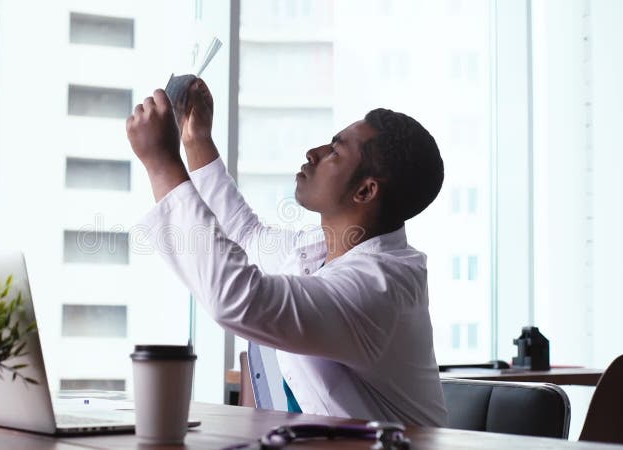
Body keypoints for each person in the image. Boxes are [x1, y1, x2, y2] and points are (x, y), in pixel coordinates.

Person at [125, 78, 448, 426]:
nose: (315, 153)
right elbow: (246, 235)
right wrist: (196, 139)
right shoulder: (321, 252)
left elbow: (240, 301)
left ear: (366, 191)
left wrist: (162, 165)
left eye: (336, 152)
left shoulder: (378, 288)